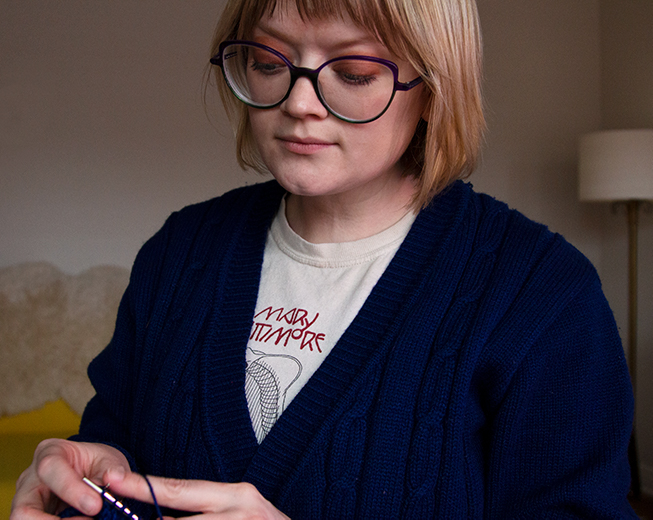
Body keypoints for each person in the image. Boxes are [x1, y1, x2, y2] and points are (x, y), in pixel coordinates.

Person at [11, 0, 637, 518]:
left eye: (356, 72)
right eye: (267, 60)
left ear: (435, 85)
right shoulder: (180, 253)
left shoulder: (545, 297)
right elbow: (110, 439)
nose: (298, 102)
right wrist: (77, 479)